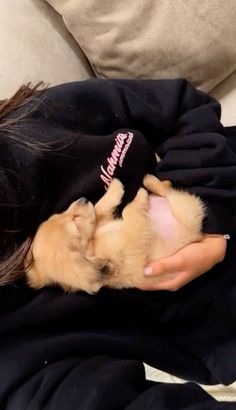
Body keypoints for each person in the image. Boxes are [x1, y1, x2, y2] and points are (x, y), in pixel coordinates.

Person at [0, 78, 236, 409]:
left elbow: (183, 104)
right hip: (222, 319)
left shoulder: (32, 121)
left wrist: (211, 212)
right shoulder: (15, 359)